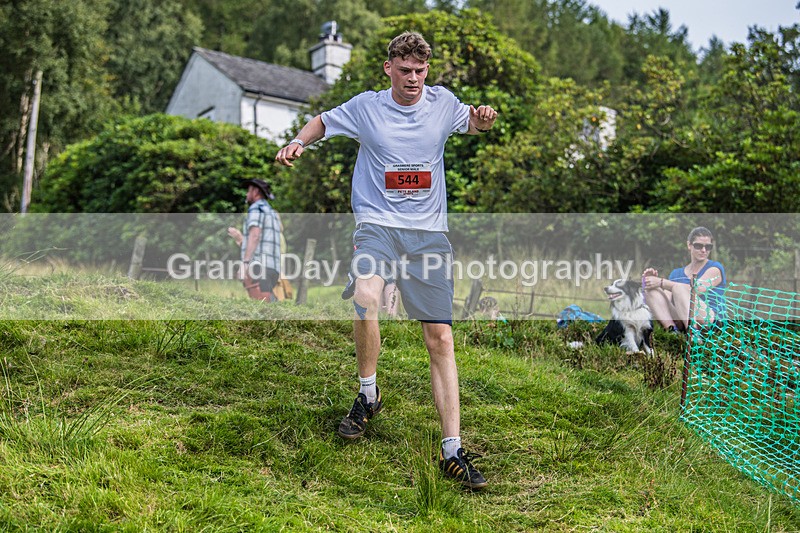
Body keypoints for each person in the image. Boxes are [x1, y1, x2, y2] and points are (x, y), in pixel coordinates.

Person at [275, 31, 497, 489]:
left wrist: (483, 120)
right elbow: (320, 120)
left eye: (420, 70)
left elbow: (473, 125)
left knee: (439, 338)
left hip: (428, 235)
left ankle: (452, 449)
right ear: (388, 69)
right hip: (376, 227)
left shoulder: (442, 103)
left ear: (427, 71)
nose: (413, 78)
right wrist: (298, 141)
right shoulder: (367, 107)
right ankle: (368, 393)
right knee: (366, 296)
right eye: (405, 70)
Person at [642, 226, 727, 333]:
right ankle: (673, 331)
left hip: (709, 319)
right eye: (698, 246)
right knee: (650, 290)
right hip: (681, 317)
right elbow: (665, 302)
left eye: (708, 247)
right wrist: (652, 282)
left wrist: (661, 282)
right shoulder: (676, 273)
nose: (704, 250)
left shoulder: (715, 268)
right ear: (689, 245)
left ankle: (693, 335)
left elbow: (695, 289)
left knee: (679, 287)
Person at [227, 178, 282, 301]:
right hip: (273, 268)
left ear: (256, 192)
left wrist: (245, 263)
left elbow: (255, 236)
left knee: (262, 307)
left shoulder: (256, 208)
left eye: (248, 191)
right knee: (268, 302)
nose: (247, 194)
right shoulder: (271, 213)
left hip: (259, 265)